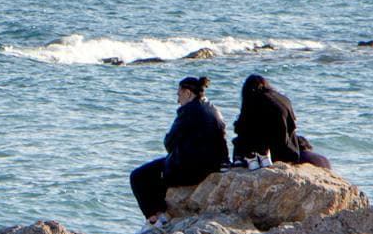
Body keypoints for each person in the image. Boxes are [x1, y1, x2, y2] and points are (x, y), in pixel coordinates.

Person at [129, 76, 228, 222]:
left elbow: (169, 143)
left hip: (193, 170)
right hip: (215, 166)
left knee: (138, 176)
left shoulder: (188, 111)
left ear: (188, 93)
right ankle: (162, 214)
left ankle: (154, 220)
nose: (178, 100)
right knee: (159, 172)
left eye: (179, 95)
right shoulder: (214, 109)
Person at [232, 73, 332, 169]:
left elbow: (241, 128)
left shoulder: (254, 99)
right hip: (292, 152)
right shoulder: (284, 99)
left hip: (277, 154)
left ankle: (245, 160)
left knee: (240, 139)